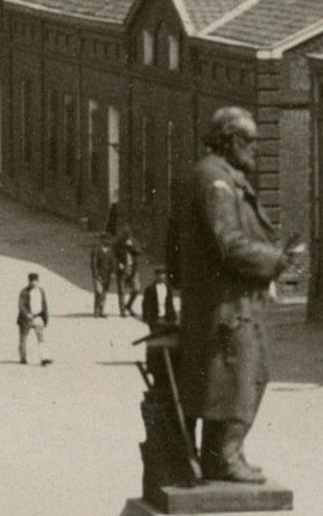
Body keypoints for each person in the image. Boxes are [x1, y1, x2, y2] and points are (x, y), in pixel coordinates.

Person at [170, 106, 301, 484]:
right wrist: (276, 260)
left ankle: (224, 455)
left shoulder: (215, 175)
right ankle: (224, 458)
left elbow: (174, 242)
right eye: (249, 141)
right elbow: (227, 244)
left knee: (230, 377)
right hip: (228, 304)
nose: (256, 150)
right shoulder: (217, 182)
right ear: (228, 141)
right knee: (241, 375)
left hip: (222, 300)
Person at [17, 273, 51, 366]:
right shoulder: (24, 292)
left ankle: (44, 358)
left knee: (41, 338)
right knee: (23, 339)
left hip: (38, 317)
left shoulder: (41, 291)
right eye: (32, 281)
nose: (34, 283)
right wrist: (27, 314)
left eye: (35, 281)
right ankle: (23, 357)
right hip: (26, 319)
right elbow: (21, 305)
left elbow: (44, 305)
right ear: (29, 282)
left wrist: (45, 318)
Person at [113, 226, 142, 318]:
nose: (126, 236)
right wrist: (118, 264)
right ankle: (122, 310)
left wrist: (131, 247)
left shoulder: (134, 242)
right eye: (125, 234)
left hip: (133, 269)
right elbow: (113, 256)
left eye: (128, 234)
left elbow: (138, 252)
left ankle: (128, 305)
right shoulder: (118, 244)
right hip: (122, 270)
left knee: (136, 288)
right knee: (122, 291)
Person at [141, 266, 177, 331]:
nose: (162, 276)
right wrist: (145, 317)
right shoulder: (150, 288)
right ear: (156, 275)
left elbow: (170, 303)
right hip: (155, 318)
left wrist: (173, 316)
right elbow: (145, 303)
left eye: (163, 274)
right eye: (160, 274)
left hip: (166, 317)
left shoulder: (168, 288)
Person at [90, 239, 115, 318]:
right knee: (99, 292)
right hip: (98, 275)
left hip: (107, 275)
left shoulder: (110, 251)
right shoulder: (96, 250)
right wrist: (96, 274)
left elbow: (113, 262)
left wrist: (113, 272)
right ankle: (96, 310)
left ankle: (101, 310)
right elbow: (93, 263)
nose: (108, 242)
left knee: (104, 293)